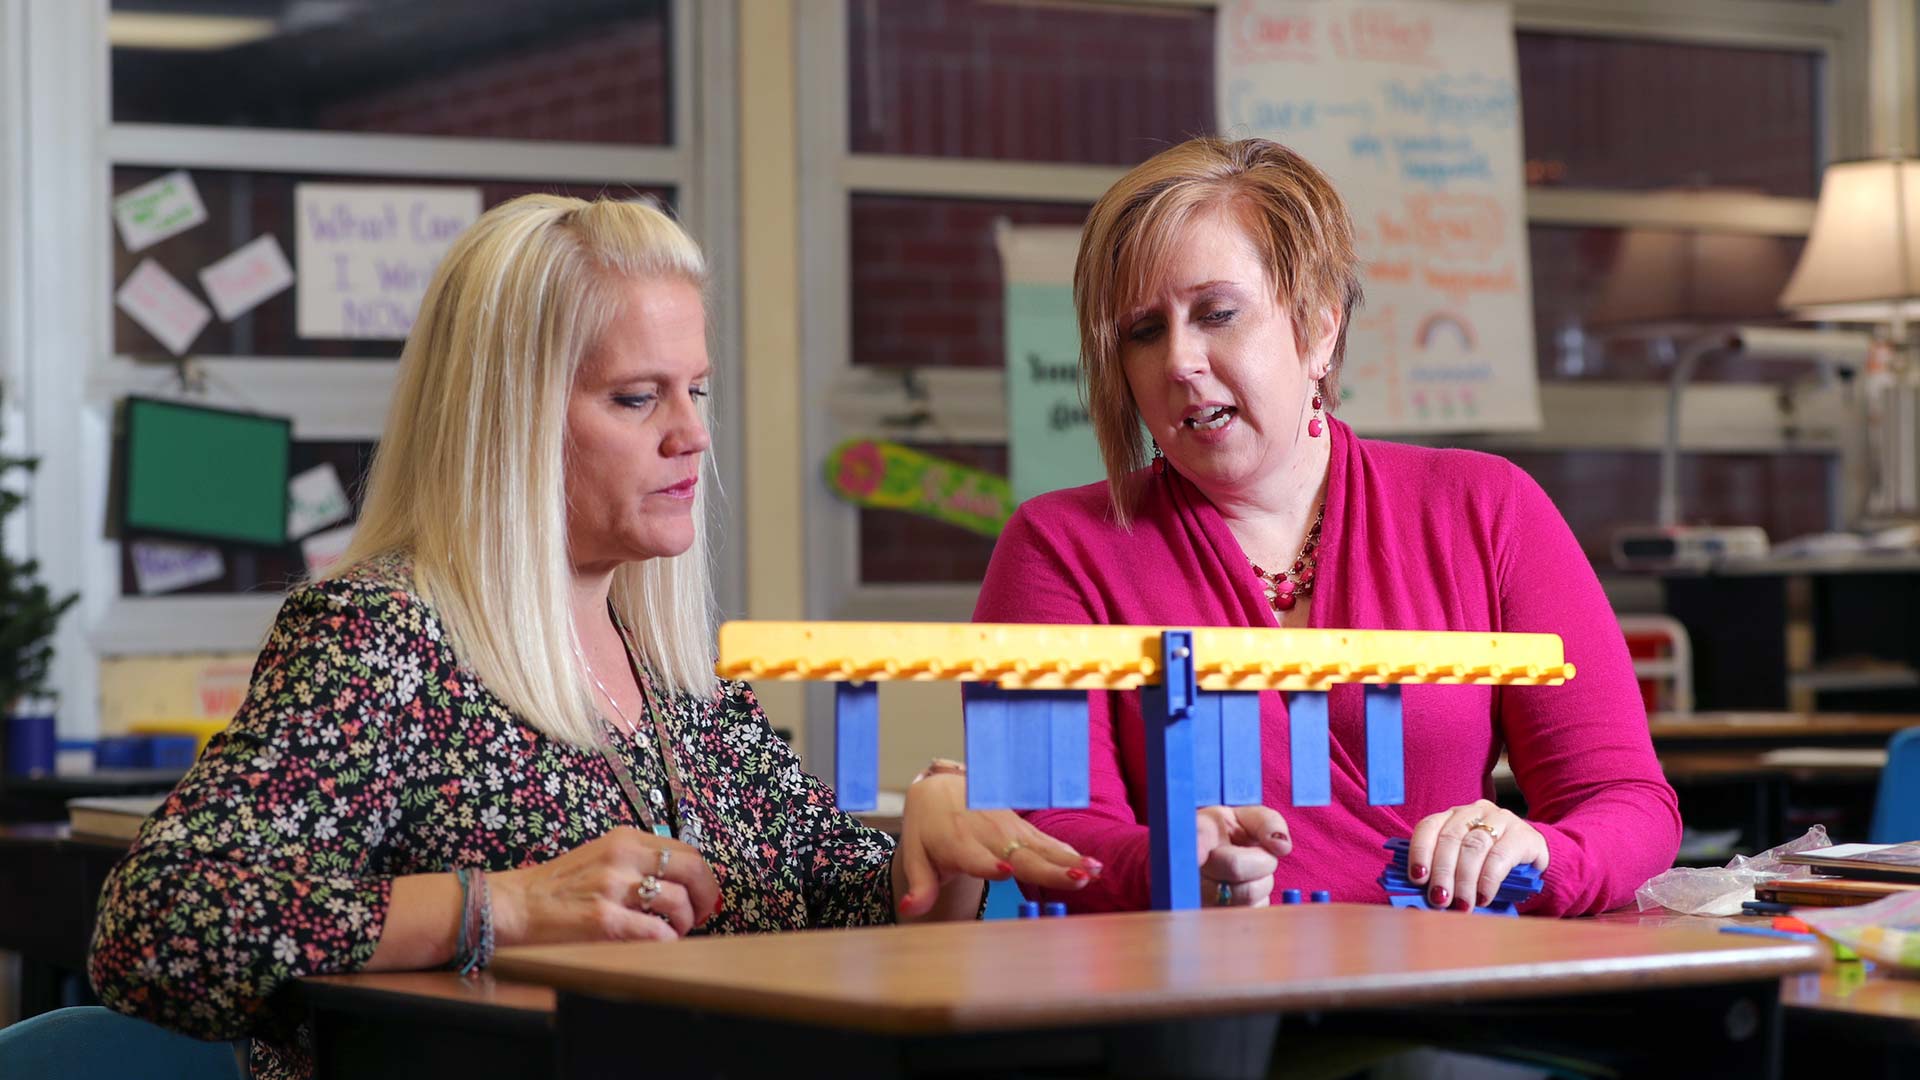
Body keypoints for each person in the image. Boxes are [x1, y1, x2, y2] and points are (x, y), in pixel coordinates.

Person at [89, 194, 1099, 1079]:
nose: (692, 435)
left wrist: (938, 844)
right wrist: (502, 908)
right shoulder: (379, 636)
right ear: (508, 419)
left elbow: (825, 906)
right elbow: (160, 924)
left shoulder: (676, 677)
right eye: (635, 397)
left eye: (695, 390)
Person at [974, 137, 1679, 917]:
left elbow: (1627, 803)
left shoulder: (1489, 506)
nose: (1178, 360)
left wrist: (1540, 851)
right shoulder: (1054, 546)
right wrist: (1171, 863)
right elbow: (1041, 836)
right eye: (1144, 331)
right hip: (1192, 1002)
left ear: (1317, 328)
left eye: (1217, 314)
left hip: (1454, 985)